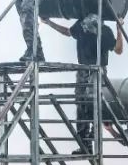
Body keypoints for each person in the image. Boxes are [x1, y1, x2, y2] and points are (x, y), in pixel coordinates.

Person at [43, 13, 123, 145]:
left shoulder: (104, 31)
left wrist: (119, 30)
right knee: (81, 103)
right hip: (83, 69)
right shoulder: (81, 24)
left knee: (92, 101)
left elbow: (118, 49)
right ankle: (83, 140)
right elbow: (68, 32)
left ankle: (92, 133)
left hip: (97, 70)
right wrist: (49, 22)